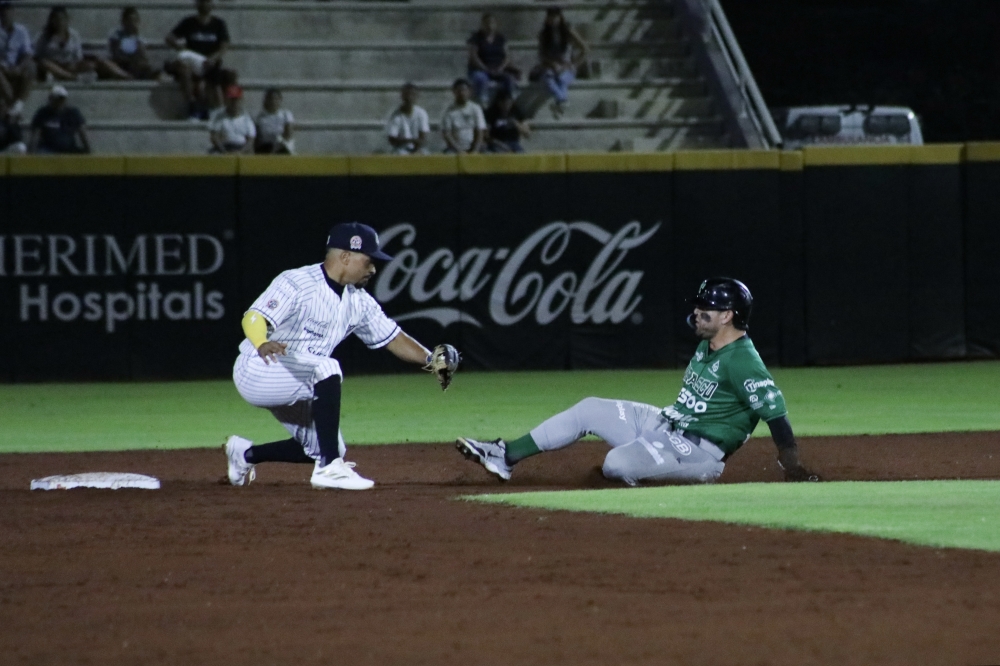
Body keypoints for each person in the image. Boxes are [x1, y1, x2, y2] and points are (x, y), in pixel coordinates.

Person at [457, 278, 822, 486]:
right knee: (590, 408)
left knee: (615, 464)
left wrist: (792, 467)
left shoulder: (743, 361)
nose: (696, 312)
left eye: (705, 308)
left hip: (698, 453)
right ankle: (505, 454)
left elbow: (776, 415)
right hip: (665, 424)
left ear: (727, 315)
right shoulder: (709, 342)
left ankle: (653, 480)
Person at [224, 222, 456, 490]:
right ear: (345, 257)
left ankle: (244, 455)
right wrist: (261, 341)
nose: (373, 269)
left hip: (301, 379)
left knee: (328, 445)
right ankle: (329, 469)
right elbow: (254, 316)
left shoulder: (358, 300)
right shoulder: (297, 282)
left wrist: (431, 359)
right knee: (327, 368)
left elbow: (393, 337)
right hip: (258, 369)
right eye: (368, 261)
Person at [165, 0, 233, 120]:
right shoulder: (188, 22)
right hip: (192, 63)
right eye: (202, 1)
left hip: (210, 63)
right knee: (184, 69)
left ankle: (223, 110)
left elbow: (224, 46)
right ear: (196, 4)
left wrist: (213, 58)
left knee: (227, 78)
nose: (205, 4)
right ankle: (192, 106)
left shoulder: (219, 24)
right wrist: (178, 46)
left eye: (208, 1)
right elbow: (169, 37)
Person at [534, 6, 588, 118]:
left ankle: (559, 104)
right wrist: (552, 63)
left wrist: (574, 64)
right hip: (550, 66)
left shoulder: (568, 31)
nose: (553, 20)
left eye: (555, 17)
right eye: (550, 17)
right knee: (548, 78)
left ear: (560, 18)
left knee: (562, 79)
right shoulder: (544, 34)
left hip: (567, 67)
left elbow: (585, 49)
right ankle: (562, 100)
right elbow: (541, 55)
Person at [467, 12, 516, 108]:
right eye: (487, 23)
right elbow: (473, 56)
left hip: (498, 69)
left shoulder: (500, 38)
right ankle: (483, 103)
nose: (489, 25)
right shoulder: (476, 38)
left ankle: (510, 102)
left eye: (492, 23)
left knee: (509, 79)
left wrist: (501, 68)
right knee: (480, 79)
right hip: (482, 69)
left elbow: (507, 56)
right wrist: (485, 68)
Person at [0, 0, 36, 117]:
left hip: (16, 66)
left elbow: (27, 53)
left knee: (31, 66)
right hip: (2, 67)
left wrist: (19, 67)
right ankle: (12, 104)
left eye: (9, 13)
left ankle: (18, 104)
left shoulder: (21, 31)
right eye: (4, 14)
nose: (6, 16)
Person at [28, 83, 89, 153]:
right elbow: (36, 134)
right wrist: (31, 153)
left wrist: (88, 150)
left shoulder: (73, 113)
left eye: (62, 98)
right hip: (48, 149)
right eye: (57, 98)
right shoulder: (42, 113)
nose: (60, 101)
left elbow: (82, 132)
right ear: (50, 98)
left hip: (69, 148)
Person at [107, 7, 156, 80]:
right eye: (129, 20)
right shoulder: (116, 35)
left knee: (147, 67)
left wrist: (135, 37)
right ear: (123, 21)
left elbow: (143, 57)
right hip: (121, 64)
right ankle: (126, 76)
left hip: (135, 65)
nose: (132, 23)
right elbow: (116, 54)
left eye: (135, 20)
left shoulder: (140, 39)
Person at [441, 78, 485, 154]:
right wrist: (459, 150)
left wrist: (475, 150)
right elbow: (447, 134)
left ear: (469, 91)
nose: (462, 93)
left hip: (473, 146)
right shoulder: (448, 111)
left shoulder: (476, 108)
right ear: (454, 92)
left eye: (464, 90)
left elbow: (480, 131)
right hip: (455, 148)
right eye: (459, 90)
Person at [385, 82, 429, 155]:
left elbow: (422, 138)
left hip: (418, 148)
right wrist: (411, 140)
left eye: (412, 95)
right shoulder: (395, 115)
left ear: (416, 96)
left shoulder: (422, 113)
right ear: (402, 96)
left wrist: (416, 147)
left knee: (425, 155)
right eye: (407, 95)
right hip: (401, 149)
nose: (409, 98)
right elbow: (392, 139)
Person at [208, 84, 254, 154]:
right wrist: (224, 151)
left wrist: (241, 152)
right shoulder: (219, 117)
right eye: (231, 100)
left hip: (241, 147)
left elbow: (250, 140)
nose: (234, 103)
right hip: (224, 147)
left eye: (236, 100)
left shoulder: (246, 119)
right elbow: (214, 137)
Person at [254, 87, 294, 154]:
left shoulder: (286, 115)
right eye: (270, 99)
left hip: (282, 147)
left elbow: (288, 135)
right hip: (265, 148)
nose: (273, 101)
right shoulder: (259, 118)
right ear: (265, 100)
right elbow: (257, 138)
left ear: (280, 100)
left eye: (276, 99)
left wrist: (276, 147)